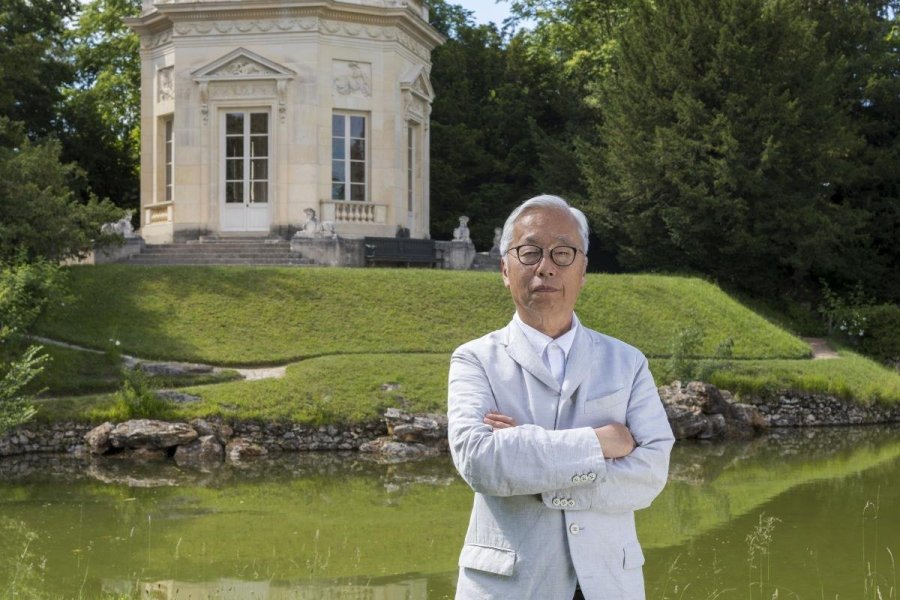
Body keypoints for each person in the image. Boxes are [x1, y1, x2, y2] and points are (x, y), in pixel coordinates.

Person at [447, 194, 675, 599]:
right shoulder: (475, 359)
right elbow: (480, 462)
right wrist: (603, 442)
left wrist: (528, 462)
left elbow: (651, 472)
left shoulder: (627, 362)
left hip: (609, 583)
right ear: (505, 268)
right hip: (510, 586)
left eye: (563, 253)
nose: (546, 266)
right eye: (530, 252)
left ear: (583, 269)